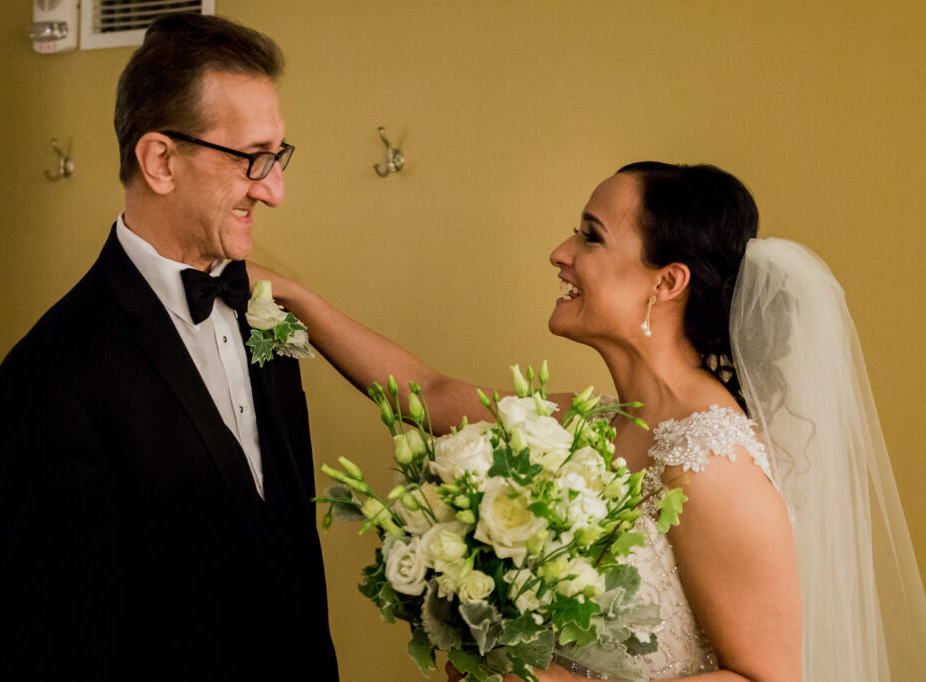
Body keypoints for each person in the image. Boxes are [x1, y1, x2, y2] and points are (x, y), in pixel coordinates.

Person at [248, 162, 926, 680]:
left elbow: (768, 677)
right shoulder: (597, 423)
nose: (560, 251)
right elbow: (429, 392)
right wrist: (294, 296)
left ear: (667, 283)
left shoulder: (710, 460)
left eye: (591, 235)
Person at [0, 14, 338, 681]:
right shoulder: (51, 380)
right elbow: (49, 655)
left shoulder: (265, 315)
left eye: (278, 156)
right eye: (252, 159)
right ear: (161, 161)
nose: (275, 190)